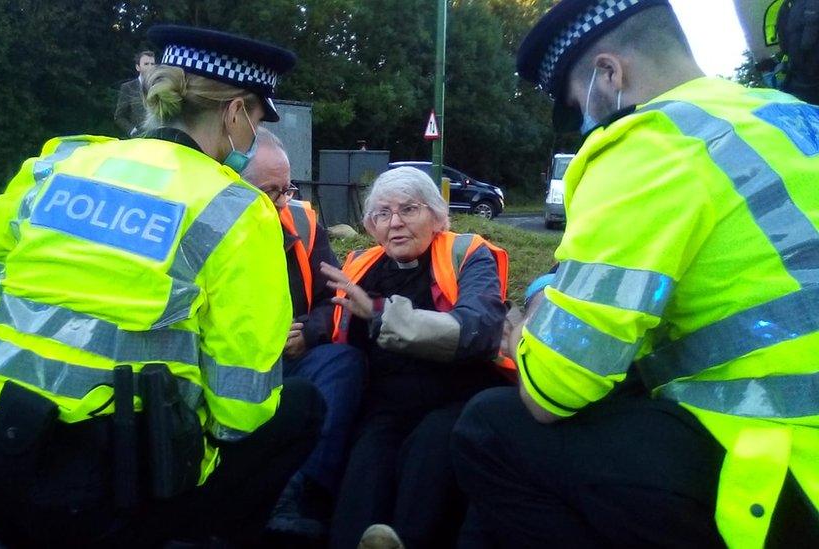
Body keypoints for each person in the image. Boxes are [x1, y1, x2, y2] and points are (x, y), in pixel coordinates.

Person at [0, 24, 326, 547]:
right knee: (301, 408)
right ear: (235, 112)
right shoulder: (235, 210)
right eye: (257, 120)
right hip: (108, 494)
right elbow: (241, 405)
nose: (251, 136)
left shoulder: (58, 162)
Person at [451, 1, 819, 547]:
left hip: (777, 474)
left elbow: (555, 389)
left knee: (489, 428)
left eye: (578, 105)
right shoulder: (791, 116)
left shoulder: (646, 145)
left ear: (609, 73)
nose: (584, 122)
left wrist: (524, 331)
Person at [322, 167, 510, 549]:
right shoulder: (360, 264)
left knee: (428, 456)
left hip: (455, 395)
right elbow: (332, 319)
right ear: (370, 225)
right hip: (385, 404)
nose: (395, 223)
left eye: (409, 210)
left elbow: (481, 326)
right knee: (364, 472)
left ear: (437, 216)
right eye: (382, 214)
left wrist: (378, 314)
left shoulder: (467, 253)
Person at [241, 127, 366, 539]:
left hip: (292, 358)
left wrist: (310, 333)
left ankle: (303, 489)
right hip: (234, 366)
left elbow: (335, 294)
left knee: (343, 361)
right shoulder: (210, 221)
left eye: (286, 188)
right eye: (269, 191)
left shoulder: (302, 220)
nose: (281, 201)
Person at [114, 50, 156, 137]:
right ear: (138, 67)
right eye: (146, 64)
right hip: (138, 139)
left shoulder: (160, 87)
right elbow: (119, 116)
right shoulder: (128, 88)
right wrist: (133, 131)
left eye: (152, 64)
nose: (150, 67)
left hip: (160, 138)